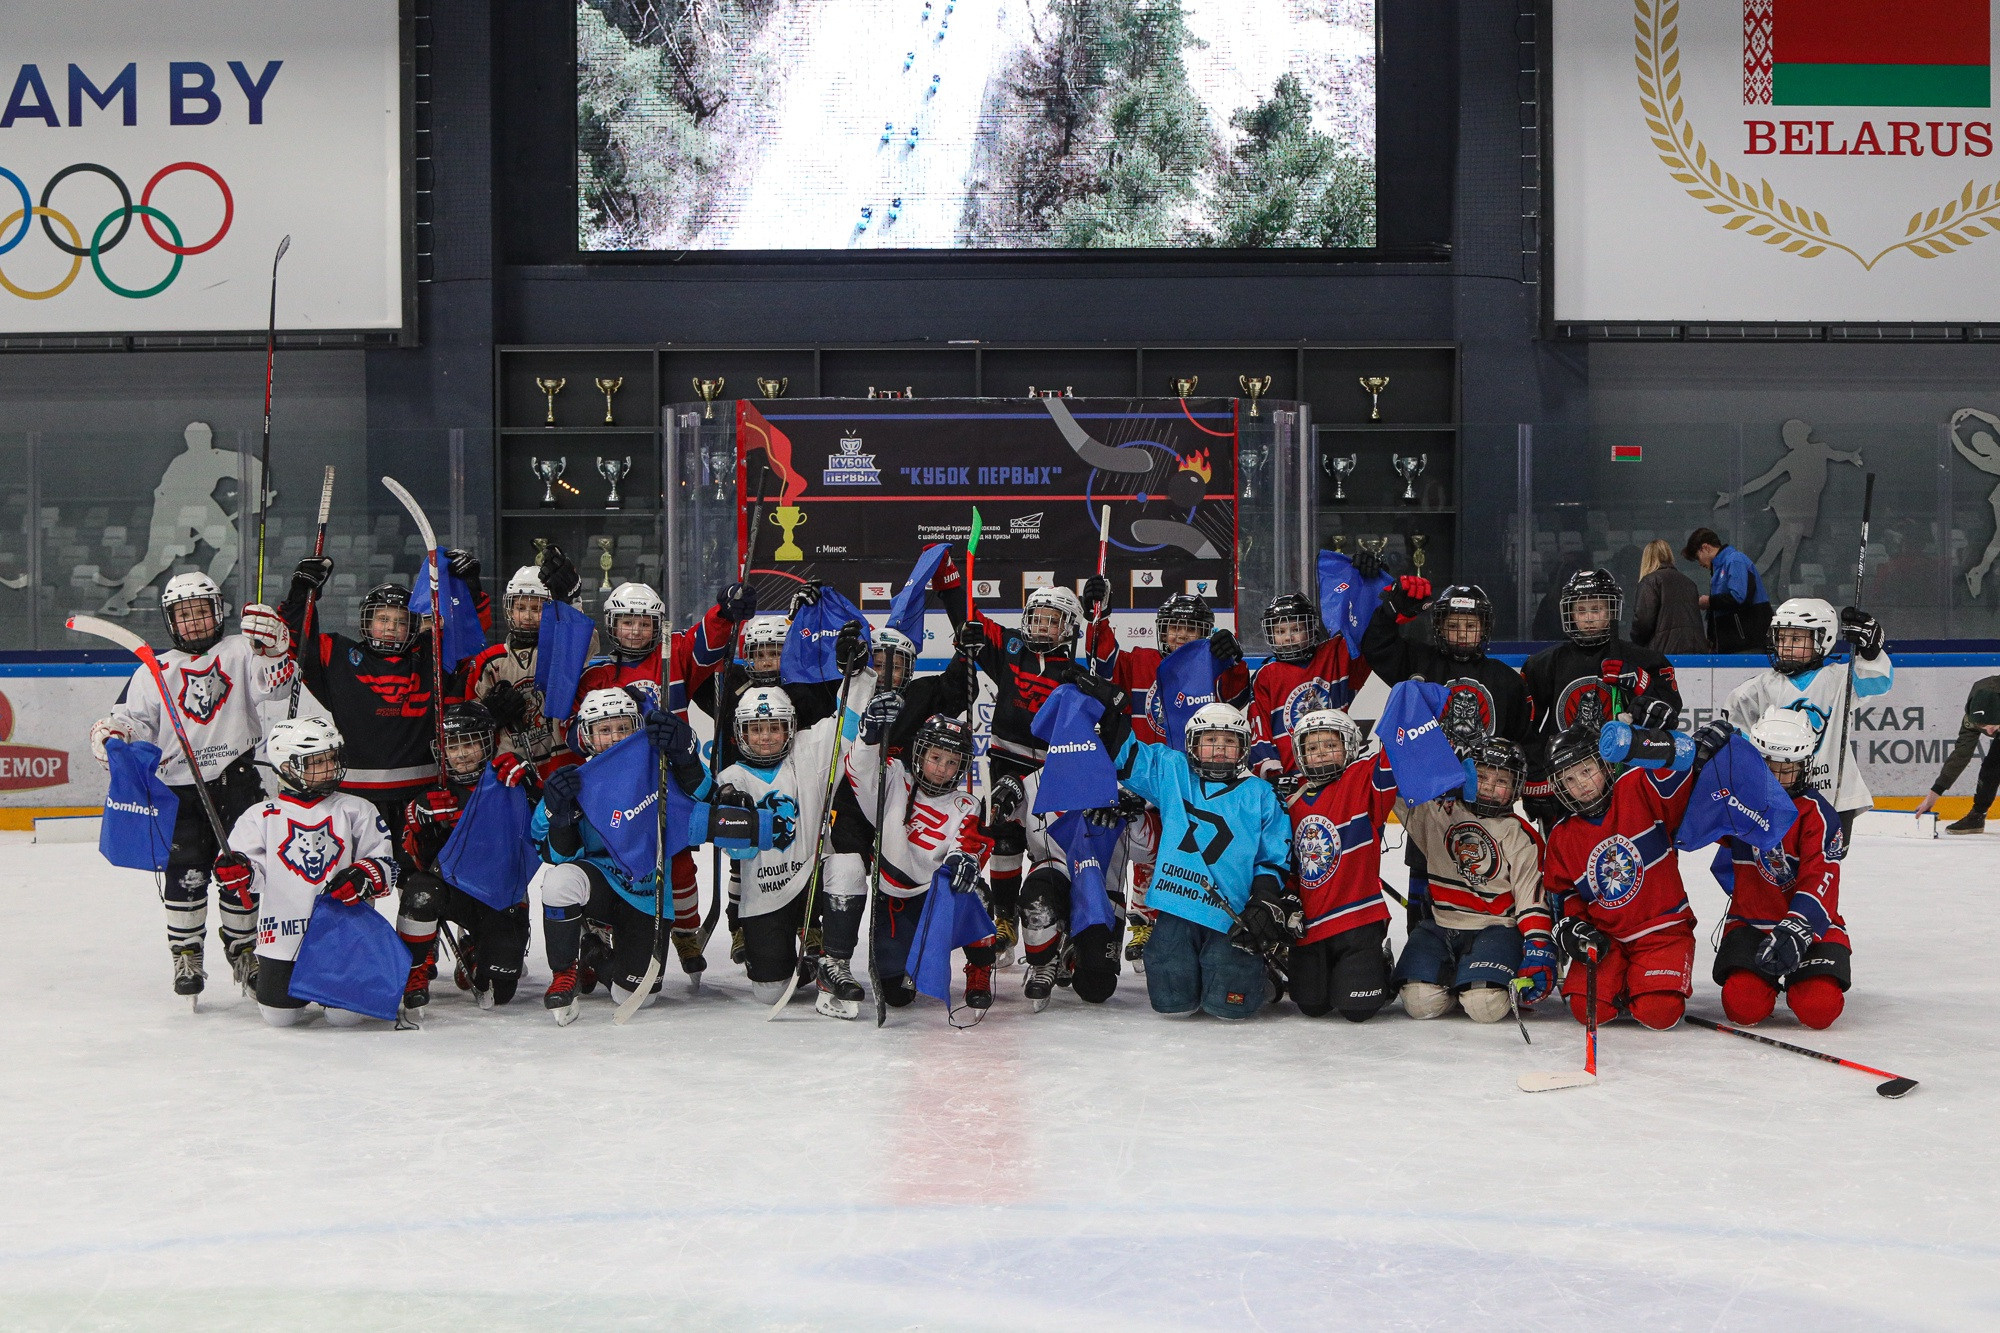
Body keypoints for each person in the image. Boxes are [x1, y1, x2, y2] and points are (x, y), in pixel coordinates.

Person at [89, 573, 300, 999]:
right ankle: (186, 953)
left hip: (237, 783)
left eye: (201, 612)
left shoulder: (241, 649)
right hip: (178, 792)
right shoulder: (154, 669)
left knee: (241, 869)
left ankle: (244, 950)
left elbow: (275, 686)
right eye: (184, 615)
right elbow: (133, 720)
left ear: (217, 611)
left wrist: (278, 648)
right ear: (170, 621)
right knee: (184, 873)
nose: (194, 622)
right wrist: (113, 733)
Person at [1080, 673, 1295, 1021]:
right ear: (1192, 744)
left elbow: (1273, 857)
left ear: (1244, 747)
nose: (1219, 748)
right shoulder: (1174, 771)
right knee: (1172, 999)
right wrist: (1110, 710)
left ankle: (1258, 973)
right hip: (1176, 907)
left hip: (1232, 913)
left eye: (1229, 741)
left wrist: (1264, 900)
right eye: (1210, 740)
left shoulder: (1262, 794)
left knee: (1230, 1007)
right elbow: (1126, 753)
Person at [934, 548, 1105, 960]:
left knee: (1051, 850)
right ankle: (1005, 914)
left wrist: (1102, 612)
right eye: (1037, 617)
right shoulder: (1011, 647)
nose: (1041, 627)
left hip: (1052, 773)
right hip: (1006, 762)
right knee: (1002, 833)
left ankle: (1057, 925)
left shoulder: (1078, 673)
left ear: (1068, 628)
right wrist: (949, 581)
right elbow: (969, 619)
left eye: (1052, 620)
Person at [571, 579, 745, 974]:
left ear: (658, 625)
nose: (636, 631)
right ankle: (610, 930)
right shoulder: (596, 675)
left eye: (645, 623)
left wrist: (725, 612)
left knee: (679, 858)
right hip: (618, 790)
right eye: (627, 622)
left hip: (668, 777)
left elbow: (707, 640)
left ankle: (684, 932)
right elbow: (573, 732)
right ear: (612, 626)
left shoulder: (675, 652)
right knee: (620, 860)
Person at [1539, 718, 1740, 1030]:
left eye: (1587, 770)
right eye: (1569, 778)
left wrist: (1653, 743)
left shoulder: (1635, 788)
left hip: (1662, 930)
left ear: (1605, 766)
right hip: (1608, 938)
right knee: (1587, 1009)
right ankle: (1625, 980)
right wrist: (1574, 927)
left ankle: (1641, 983)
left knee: (1659, 1013)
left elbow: (1679, 766)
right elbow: (1567, 895)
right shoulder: (1562, 836)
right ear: (1559, 786)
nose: (1581, 783)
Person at [1085, 592, 1251, 964]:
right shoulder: (1141, 660)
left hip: (1188, 779)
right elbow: (1105, 666)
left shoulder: (1210, 667)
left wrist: (1233, 660)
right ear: (1162, 630)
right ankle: (1125, 920)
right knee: (1122, 841)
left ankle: (1152, 916)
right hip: (1140, 772)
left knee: (1172, 845)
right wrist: (1099, 618)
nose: (1182, 635)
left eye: (1192, 629)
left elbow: (1237, 699)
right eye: (1176, 627)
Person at [707, 624, 868, 1005]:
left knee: (847, 866)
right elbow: (740, 855)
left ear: (790, 728)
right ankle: (804, 963)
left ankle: (834, 962)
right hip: (765, 890)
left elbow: (849, 718)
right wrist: (737, 822)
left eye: (775, 728)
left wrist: (856, 673)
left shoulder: (809, 750)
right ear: (741, 732)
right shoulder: (730, 779)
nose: (766, 737)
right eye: (756, 729)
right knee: (770, 991)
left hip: (812, 875)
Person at [532, 688, 715, 1024]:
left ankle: (593, 952)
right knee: (559, 881)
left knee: (636, 996)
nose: (614, 737)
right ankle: (563, 974)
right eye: (603, 729)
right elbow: (560, 856)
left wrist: (686, 755)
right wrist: (560, 817)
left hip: (646, 894)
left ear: (636, 727)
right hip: (600, 887)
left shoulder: (658, 768)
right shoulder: (575, 781)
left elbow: (704, 797)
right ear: (586, 736)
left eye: (622, 727)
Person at [280, 551, 491, 842]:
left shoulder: (433, 656)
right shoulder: (338, 654)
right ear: (366, 621)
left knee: (416, 883)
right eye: (382, 618)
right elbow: (295, 643)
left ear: (414, 625)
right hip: (353, 799)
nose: (391, 627)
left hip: (423, 798)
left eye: (401, 620)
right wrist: (301, 595)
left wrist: (469, 588)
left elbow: (468, 637)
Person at [212, 716, 400, 1028]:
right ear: (286, 767)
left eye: (331, 758)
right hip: (283, 935)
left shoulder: (357, 809)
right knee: (279, 1017)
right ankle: (259, 968)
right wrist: (238, 873)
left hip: (343, 937)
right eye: (316, 761)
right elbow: (248, 876)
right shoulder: (260, 816)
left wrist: (364, 876)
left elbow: (386, 868)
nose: (329, 767)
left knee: (345, 1018)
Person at [821, 707, 996, 1016]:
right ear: (920, 753)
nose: (942, 769)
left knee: (975, 890)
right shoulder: (893, 777)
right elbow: (858, 769)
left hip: (936, 902)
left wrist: (964, 860)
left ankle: (980, 969)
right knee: (897, 996)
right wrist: (868, 735)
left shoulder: (966, 803)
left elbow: (969, 842)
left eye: (952, 762)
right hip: (893, 901)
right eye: (936, 758)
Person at [392, 702, 548, 1011]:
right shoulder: (432, 793)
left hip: (501, 894)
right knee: (421, 892)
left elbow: (547, 829)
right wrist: (423, 829)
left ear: (488, 742)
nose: (462, 754)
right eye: (453, 745)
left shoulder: (509, 780)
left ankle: (475, 947)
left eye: (471, 742)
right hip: (453, 892)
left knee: (499, 992)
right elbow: (411, 866)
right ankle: (414, 968)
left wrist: (532, 786)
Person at [1394, 737, 1556, 1023]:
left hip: (1495, 928)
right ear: (1466, 773)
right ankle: (1464, 977)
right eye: (1481, 776)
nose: (1491, 786)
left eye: (1502, 780)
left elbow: (1531, 899)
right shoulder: (1438, 811)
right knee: (1420, 1004)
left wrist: (1538, 946)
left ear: (1516, 787)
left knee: (1485, 1007)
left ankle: (1474, 979)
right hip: (1440, 926)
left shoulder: (1520, 837)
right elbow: (1392, 785)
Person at [1709, 709, 1851, 1031]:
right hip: (1751, 920)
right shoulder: (1737, 801)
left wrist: (1797, 929)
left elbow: (1821, 878)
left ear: (1804, 767)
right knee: (1743, 1007)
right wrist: (1701, 765)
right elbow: (1695, 821)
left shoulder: (1818, 813)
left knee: (1819, 1009)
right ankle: (1766, 982)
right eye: (1768, 768)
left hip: (1811, 925)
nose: (1776, 778)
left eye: (1787, 770)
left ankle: (1801, 980)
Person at [1520, 567, 1681, 828]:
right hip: (1568, 782)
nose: (1589, 618)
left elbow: (1668, 715)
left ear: (1611, 612)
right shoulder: (1543, 664)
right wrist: (1537, 782)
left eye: (1597, 609)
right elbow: (1526, 728)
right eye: (1581, 611)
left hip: (1626, 779)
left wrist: (1640, 681)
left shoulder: (1644, 660)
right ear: (1569, 613)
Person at [1720, 597, 1891, 843]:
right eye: (1781, 638)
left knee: (1824, 864)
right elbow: (1734, 734)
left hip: (1835, 795)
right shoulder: (1757, 689)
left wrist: (1871, 651)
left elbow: (1879, 681)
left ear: (1825, 639)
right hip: (1779, 795)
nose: (1786, 646)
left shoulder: (1839, 679)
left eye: (1797, 639)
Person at [1274, 708, 1401, 1021]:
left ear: (1350, 745)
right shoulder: (1288, 798)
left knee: (1359, 1010)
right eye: (1311, 748)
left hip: (1357, 919)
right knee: (1312, 1006)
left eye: (1330, 745)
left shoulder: (1362, 778)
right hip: (1310, 924)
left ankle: (1380, 964)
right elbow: (1281, 856)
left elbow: (1394, 756)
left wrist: (1405, 705)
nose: (1320, 754)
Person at [1360, 578, 1533, 751]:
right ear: (1439, 628)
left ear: (1484, 629)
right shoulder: (1418, 660)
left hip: (1486, 776)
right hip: (1429, 770)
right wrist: (1388, 614)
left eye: (1471, 626)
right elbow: (1377, 647)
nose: (1462, 634)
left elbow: (1520, 741)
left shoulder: (1506, 679)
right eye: (1452, 625)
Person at [469, 551, 585, 768]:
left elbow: (583, 641)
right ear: (509, 610)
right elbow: (471, 721)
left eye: (537, 608)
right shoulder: (491, 660)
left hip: (560, 762)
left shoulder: (561, 648)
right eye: (520, 608)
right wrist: (489, 715)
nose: (528, 616)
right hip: (510, 766)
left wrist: (572, 601)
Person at [1247, 591, 1371, 783]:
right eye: (1280, 632)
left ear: (1311, 629)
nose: (1288, 637)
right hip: (1291, 779)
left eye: (1296, 629)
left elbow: (1362, 627)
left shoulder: (1334, 653)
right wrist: (1274, 774)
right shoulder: (1266, 675)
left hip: (1337, 773)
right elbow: (1259, 730)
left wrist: (1366, 586)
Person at [1913, 673, 2000, 833]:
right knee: (1991, 767)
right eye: (1983, 726)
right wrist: (1932, 797)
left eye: (1993, 726)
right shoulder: (1973, 717)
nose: (1988, 731)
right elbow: (1961, 755)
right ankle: (1977, 816)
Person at [1685, 526, 1773, 653]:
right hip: (1735, 644)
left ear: (1705, 548)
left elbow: (1738, 597)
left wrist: (1709, 602)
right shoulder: (1721, 568)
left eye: (1697, 557)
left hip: (1747, 644)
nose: (1699, 563)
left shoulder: (1735, 560)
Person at [1629, 540, 1708, 654]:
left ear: (1646, 559)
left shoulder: (1650, 581)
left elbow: (1643, 621)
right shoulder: (1689, 583)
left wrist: (1636, 643)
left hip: (1663, 653)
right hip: (1695, 651)